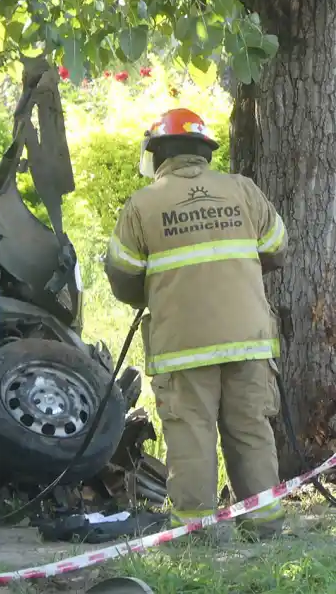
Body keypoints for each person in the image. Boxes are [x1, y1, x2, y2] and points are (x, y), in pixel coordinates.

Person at [103, 108, 289, 542]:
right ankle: (264, 530)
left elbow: (122, 276)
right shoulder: (243, 190)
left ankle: (198, 537)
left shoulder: (143, 204)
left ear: (158, 152)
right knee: (251, 432)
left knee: (191, 438)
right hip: (249, 343)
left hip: (183, 347)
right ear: (204, 151)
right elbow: (277, 250)